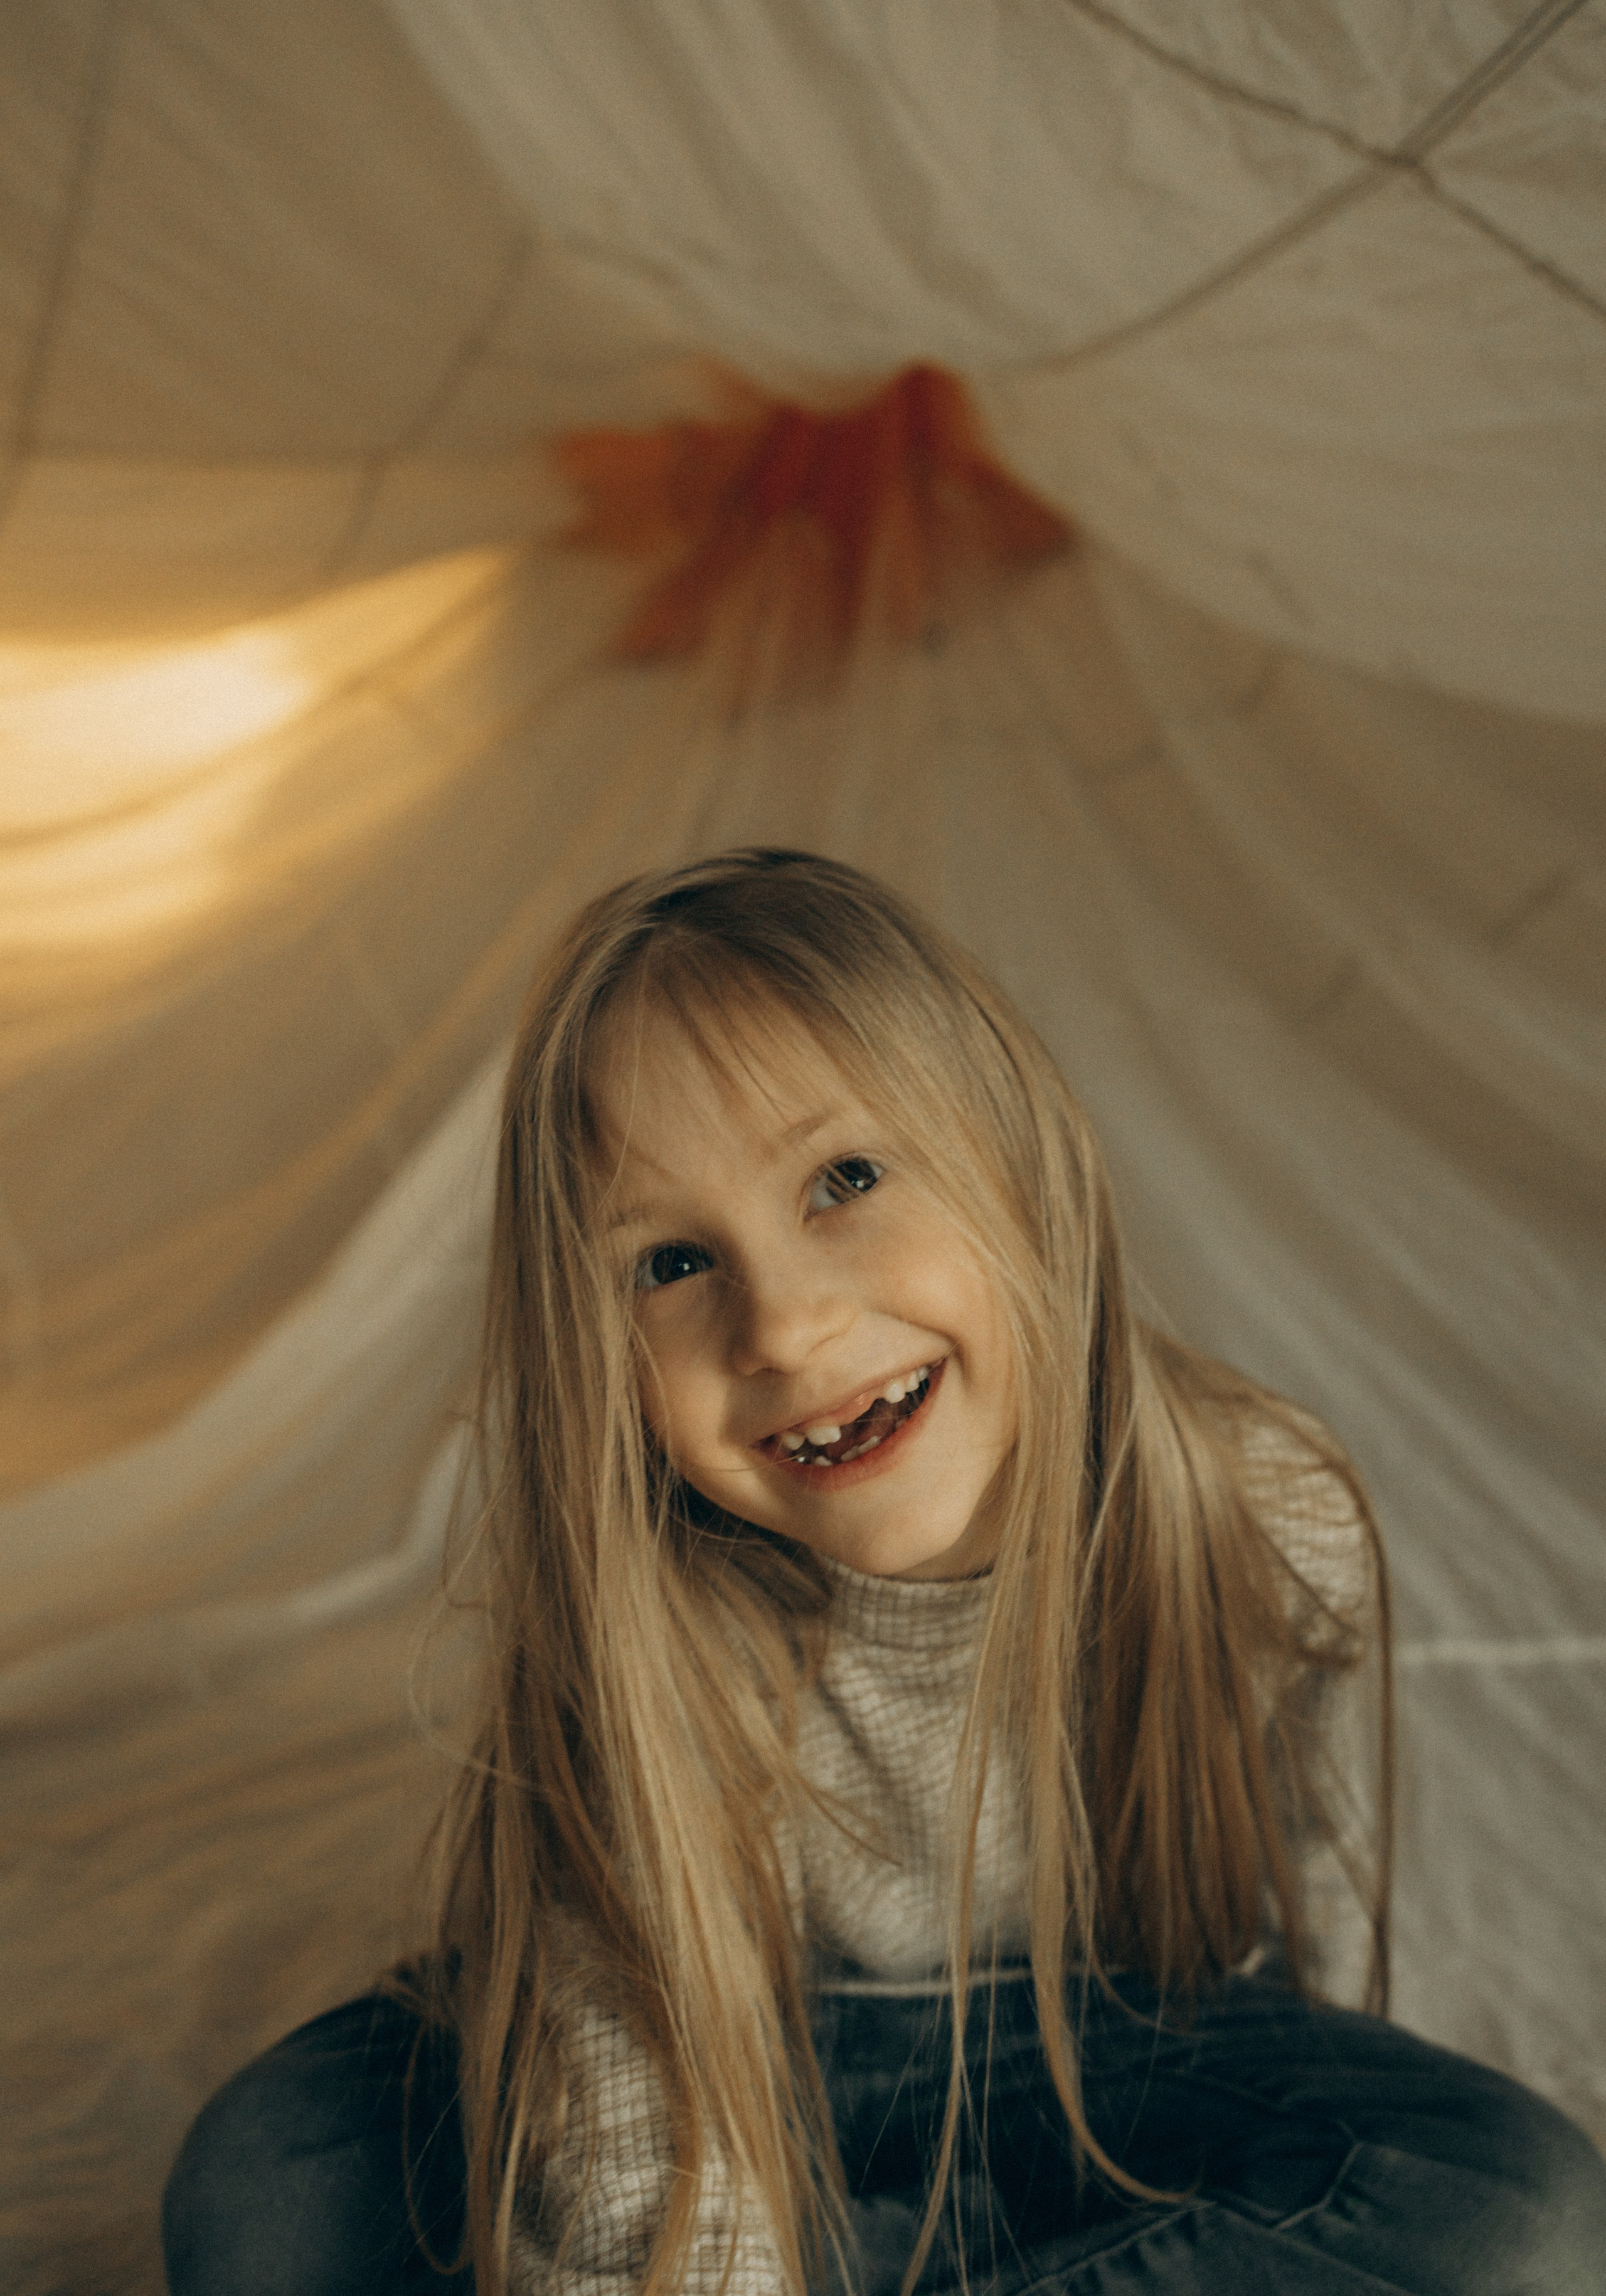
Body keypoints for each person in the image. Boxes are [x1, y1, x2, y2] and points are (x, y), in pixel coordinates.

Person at [164, 849, 1606, 2295]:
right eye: (670, 1264)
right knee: (271, 2185)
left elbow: (1308, 1981)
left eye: (842, 1179)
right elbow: (634, 2119)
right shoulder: (651, 1620)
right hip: (720, 2062)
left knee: (1519, 2212)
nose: (783, 1327)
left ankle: (879, 2259)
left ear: (1017, 1166)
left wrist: (1308, 2182)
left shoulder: (1258, 1512)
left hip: (1110, 2036)